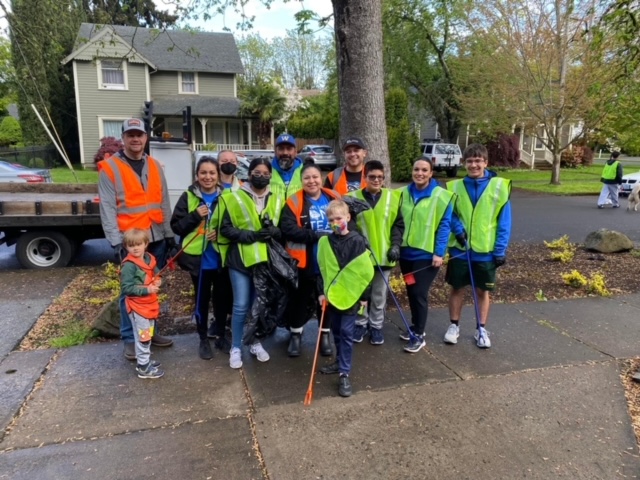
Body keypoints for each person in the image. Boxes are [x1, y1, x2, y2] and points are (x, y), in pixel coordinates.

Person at [98, 118, 175, 361]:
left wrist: (170, 234)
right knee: (129, 294)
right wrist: (115, 241)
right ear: (123, 138)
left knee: (150, 290)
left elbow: (163, 202)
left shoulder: (153, 165)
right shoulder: (110, 168)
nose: (135, 139)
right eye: (130, 134)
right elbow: (107, 208)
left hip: (156, 237)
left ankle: (150, 333)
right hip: (131, 243)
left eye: (139, 134)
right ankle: (130, 339)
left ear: (145, 137)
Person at [216, 157, 285, 369]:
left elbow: (283, 228)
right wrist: (250, 236)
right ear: (249, 173)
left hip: (265, 262)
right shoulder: (232, 197)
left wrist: (275, 232)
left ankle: (254, 341)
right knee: (240, 306)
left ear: (271, 176)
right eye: (257, 172)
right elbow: (225, 229)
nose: (261, 176)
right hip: (240, 260)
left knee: (259, 306)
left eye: (265, 173)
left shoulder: (277, 198)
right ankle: (236, 347)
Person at [444, 143, 511, 348]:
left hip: (485, 251)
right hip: (460, 249)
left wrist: (500, 250)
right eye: (470, 161)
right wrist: (457, 229)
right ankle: (454, 326)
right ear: (464, 163)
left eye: (478, 161)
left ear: (485, 162)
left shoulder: (499, 187)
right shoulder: (454, 187)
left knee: (482, 291)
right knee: (457, 288)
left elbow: (504, 221)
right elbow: (450, 214)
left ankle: (481, 329)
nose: (474, 165)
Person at [171, 156, 232, 360]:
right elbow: (176, 226)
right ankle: (203, 339)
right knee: (201, 300)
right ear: (197, 175)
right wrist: (195, 215)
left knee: (222, 300)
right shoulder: (188, 197)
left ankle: (221, 335)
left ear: (218, 175)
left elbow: (234, 226)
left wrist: (220, 235)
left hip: (221, 258)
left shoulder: (227, 196)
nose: (208, 177)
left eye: (212, 173)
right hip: (198, 261)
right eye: (203, 173)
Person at [280, 160, 341, 357]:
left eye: (315, 177)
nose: (312, 181)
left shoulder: (333, 197)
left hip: (329, 261)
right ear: (301, 180)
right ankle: (296, 335)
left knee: (326, 301)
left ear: (321, 178)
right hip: (303, 262)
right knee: (299, 300)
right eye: (307, 178)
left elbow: (347, 221)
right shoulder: (294, 202)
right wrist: (316, 235)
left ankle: (324, 336)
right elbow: (287, 229)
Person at [317, 200, 373, 398]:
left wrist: (364, 297)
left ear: (348, 218)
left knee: (347, 333)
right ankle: (339, 361)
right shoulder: (325, 242)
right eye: (331, 219)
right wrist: (321, 292)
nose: (335, 222)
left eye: (339, 218)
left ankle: (344, 373)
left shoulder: (357, 241)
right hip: (332, 296)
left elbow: (364, 272)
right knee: (337, 332)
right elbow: (322, 269)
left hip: (350, 296)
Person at [397, 159, 455, 353]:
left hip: (427, 255)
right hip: (406, 254)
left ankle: (419, 335)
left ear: (431, 173)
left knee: (419, 293)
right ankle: (414, 326)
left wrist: (439, 253)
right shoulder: (402, 193)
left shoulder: (441, 196)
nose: (419, 173)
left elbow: (444, 226)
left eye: (424, 170)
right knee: (411, 290)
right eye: (416, 169)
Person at [348, 160, 404, 345]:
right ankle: (360, 323)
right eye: (372, 177)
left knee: (379, 295)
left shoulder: (393, 197)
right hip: (360, 257)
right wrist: (356, 237)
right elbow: (348, 223)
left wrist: (396, 245)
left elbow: (398, 225)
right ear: (365, 177)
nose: (377, 180)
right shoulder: (352, 197)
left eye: (380, 177)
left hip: (384, 256)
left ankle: (376, 326)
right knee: (362, 295)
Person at [119, 228, 164, 379]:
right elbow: (126, 288)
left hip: (150, 304)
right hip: (138, 306)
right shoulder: (129, 266)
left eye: (139, 244)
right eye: (131, 245)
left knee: (148, 333)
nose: (136, 248)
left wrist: (158, 279)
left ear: (146, 244)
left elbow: (155, 272)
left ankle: (145, 360)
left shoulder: (148, 258)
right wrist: (147, 289)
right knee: (143, 336)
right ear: (126, 247)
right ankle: (143, 367)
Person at [270, 134, 304, 201]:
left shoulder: (304, 171)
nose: (285, 152)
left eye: (289, 148)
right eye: (281, 148)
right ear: (275, 152)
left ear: (295, 152)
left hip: (296, 211)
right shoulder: (267, 171)